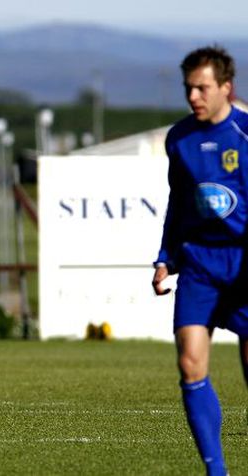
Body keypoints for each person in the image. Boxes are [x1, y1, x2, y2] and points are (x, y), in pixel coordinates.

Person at [152, 46, 248, 476]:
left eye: (202, 88)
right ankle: (217, 472)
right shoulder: (179, 138)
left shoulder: (245, 134)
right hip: (200, 263)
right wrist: (165, 257)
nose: (194, 96)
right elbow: (180, 203)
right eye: (188, 88)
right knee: (190, 362)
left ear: (226, 88)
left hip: (245, 258)